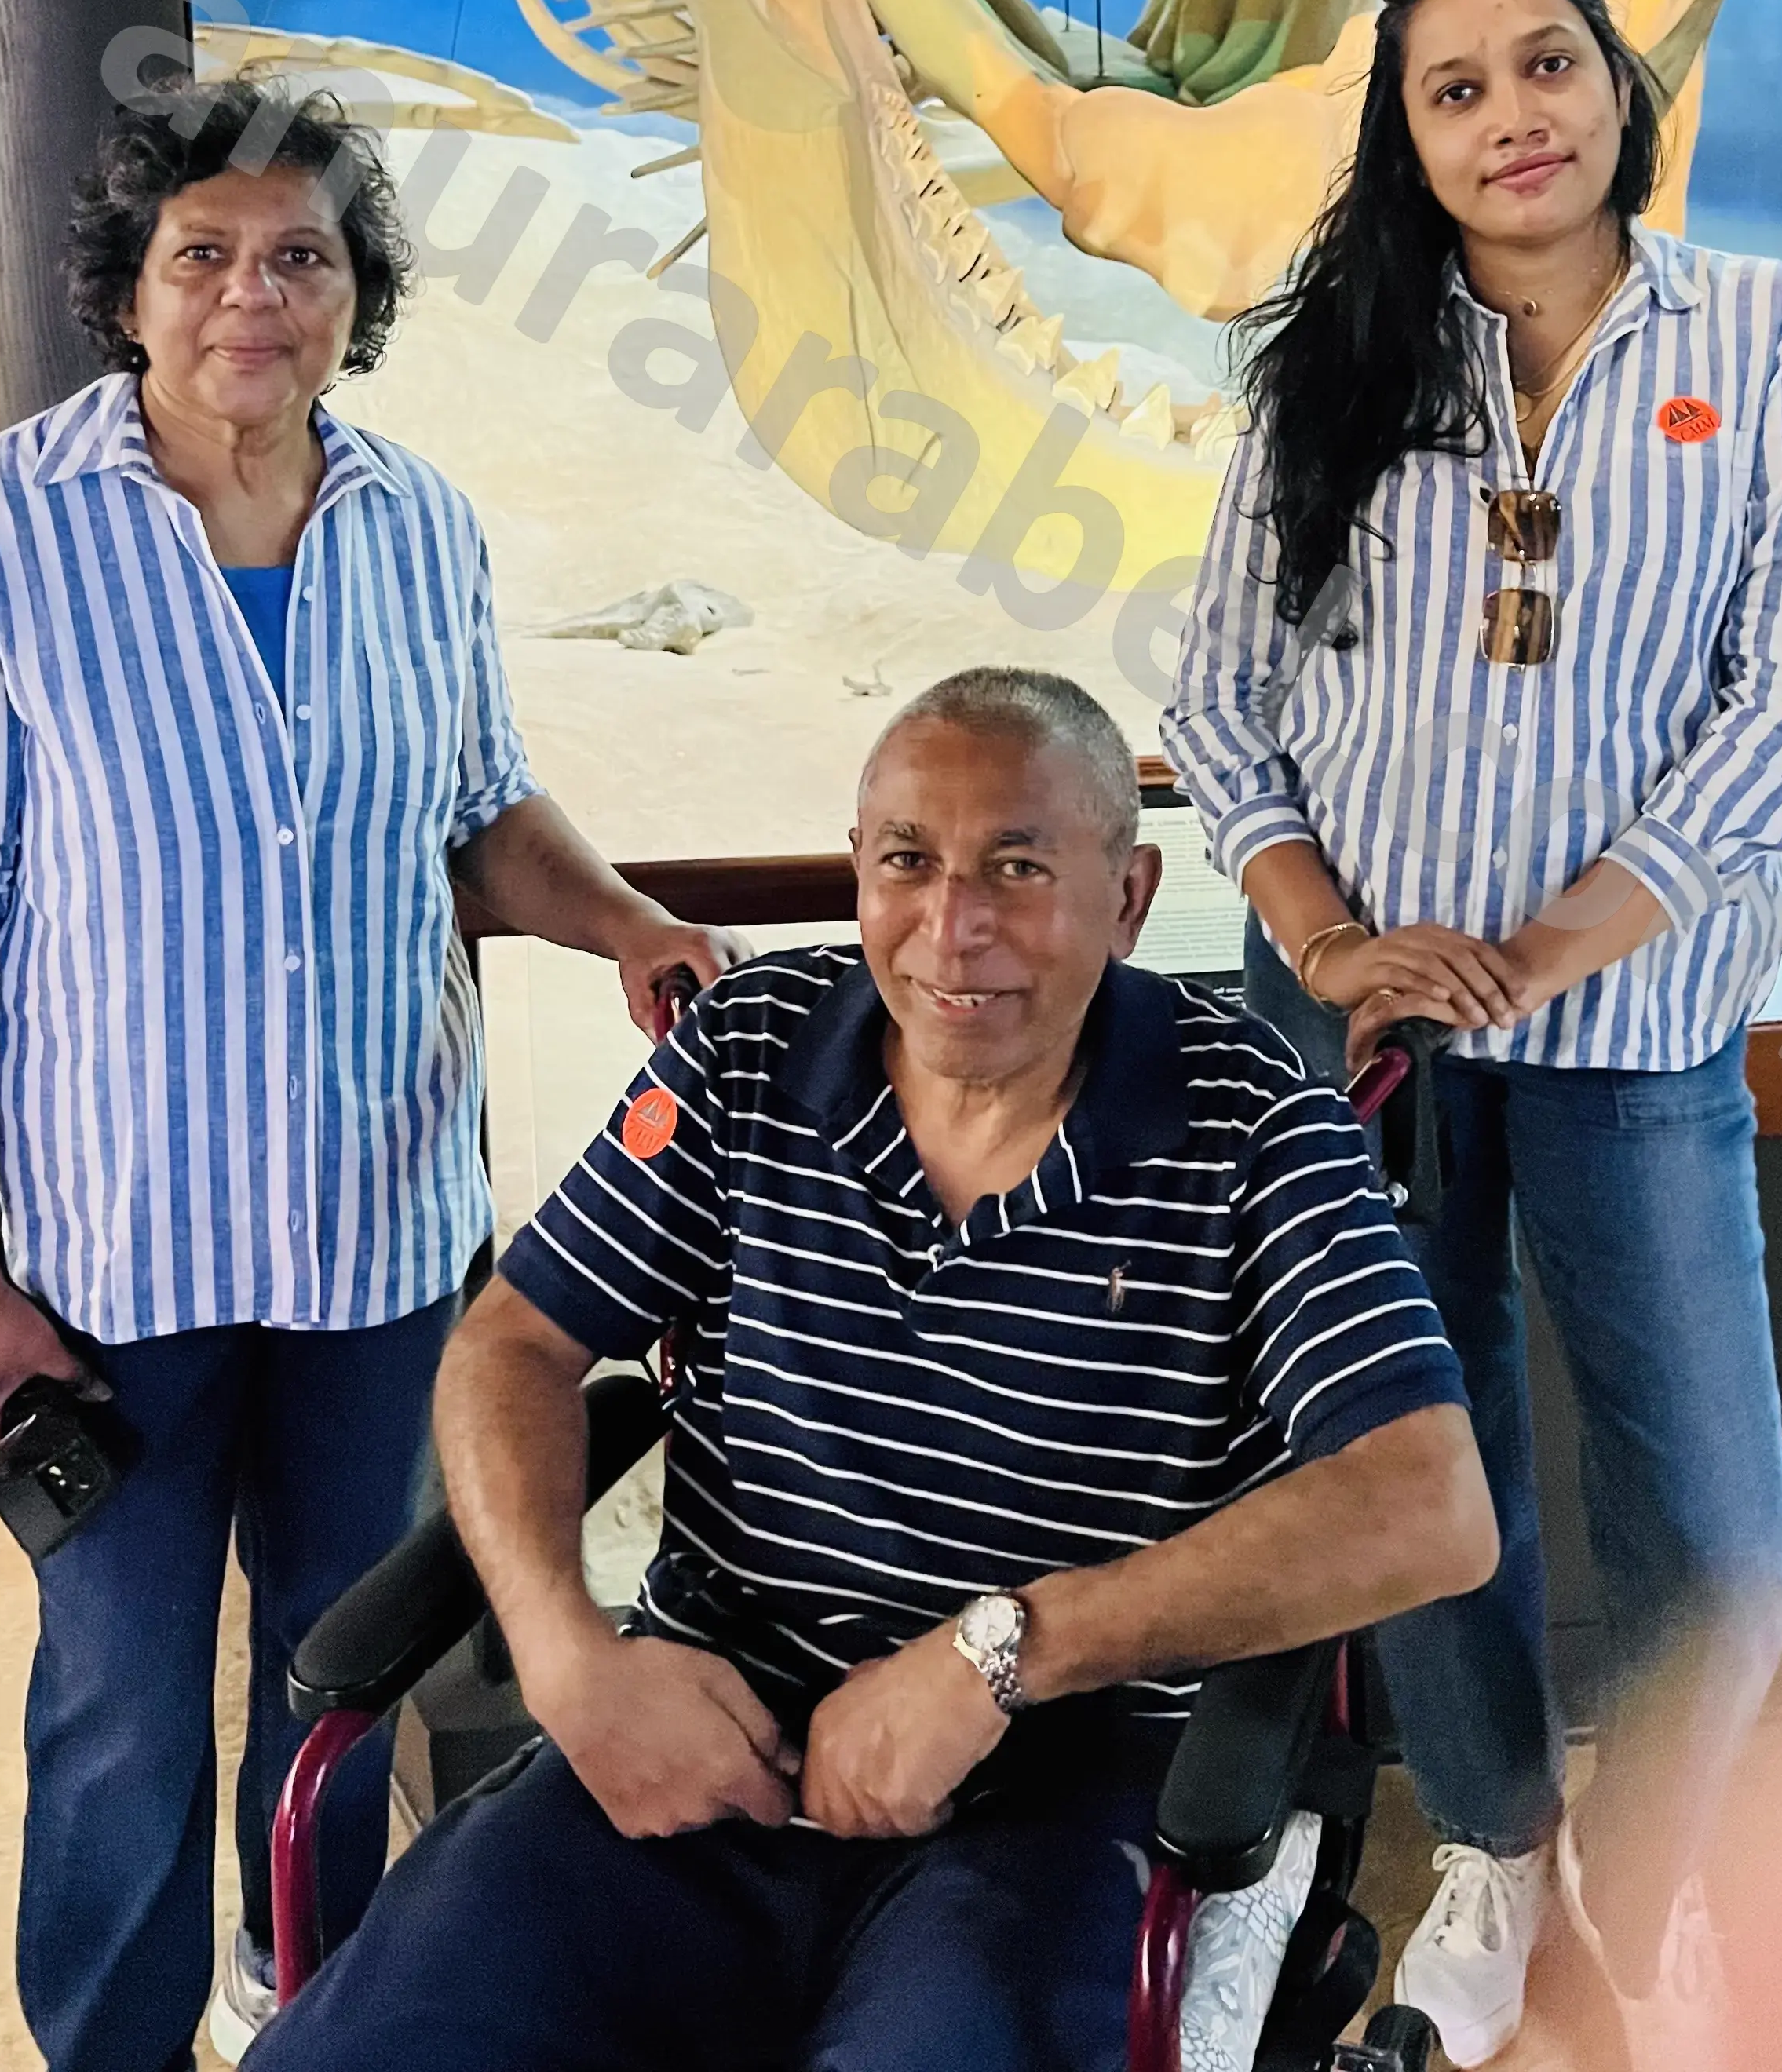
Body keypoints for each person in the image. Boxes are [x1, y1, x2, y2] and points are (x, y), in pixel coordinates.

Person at [0, 83, 739, 2072]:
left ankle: (311, 2003)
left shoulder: (418, 525)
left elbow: (481, 810)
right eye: (206, 255)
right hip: (112, 1260)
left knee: (344, 1671)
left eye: (303, 258)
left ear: (357, 297)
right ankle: (109, 2045)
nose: (253, 295)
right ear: (129, 292)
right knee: (122, 1705)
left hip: (380, 1239)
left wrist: (626, 924)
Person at [250, 666, 1499, 2072]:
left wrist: (998, 1658)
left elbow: (1432, 1504)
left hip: (1055, 1806)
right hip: (704, 1741)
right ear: (859, 867)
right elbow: (518, 1340)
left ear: (1131, 897)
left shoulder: (1253, 1124)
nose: (952, 929)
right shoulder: (746, 1051)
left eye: (1018, 867)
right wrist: (563, 1654)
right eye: (908, 862)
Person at [1162, 0, 1782, 2072]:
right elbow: (1220, 700)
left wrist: (1562, 936)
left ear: (1615, 84)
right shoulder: (1334, 365)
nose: (1512, 118)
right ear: (1407, 138)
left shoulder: (1769, 338)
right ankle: (1490, 1845)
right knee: (1426, 1480)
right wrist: (1320, 938)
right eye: (1454, 89)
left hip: (1633, 1039)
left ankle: (1639, 1885)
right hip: (1363, 1040)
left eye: (1545, 64)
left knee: (1729, 1554)